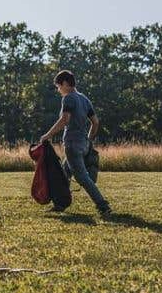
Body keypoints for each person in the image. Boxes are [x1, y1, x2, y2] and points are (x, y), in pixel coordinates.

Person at [38, 70, 112, 217]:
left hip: (72, 144)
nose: (59, 90)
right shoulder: (84, 99)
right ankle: (60, 203)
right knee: (64, 172)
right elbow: (95, 122)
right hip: (83, 144)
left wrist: (47, 135)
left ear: (65, 83)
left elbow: (64, 120)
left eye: (59, 86)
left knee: (82, 177)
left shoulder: (69, 98)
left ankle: (102, 205)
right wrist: (88, 140)